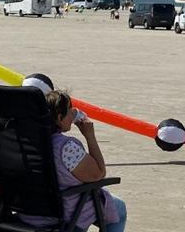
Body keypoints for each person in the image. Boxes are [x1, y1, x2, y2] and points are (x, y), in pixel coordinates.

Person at [19, 90, 127, 232]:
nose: (73, 113)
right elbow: (98, 174)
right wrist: (90, 136)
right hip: (64, 212)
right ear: (59, 118)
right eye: (70, 110)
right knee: (119, 209)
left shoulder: (23, 143)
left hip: (30, 211)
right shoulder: (65, 147)